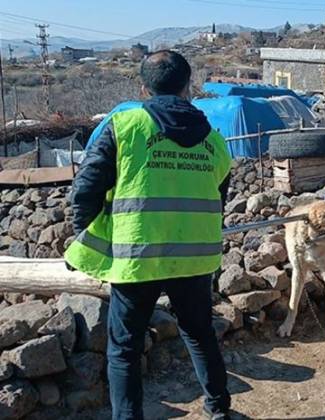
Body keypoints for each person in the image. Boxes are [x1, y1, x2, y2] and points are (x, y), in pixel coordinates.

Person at [65, 50, 232, 420]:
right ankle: (219, 410)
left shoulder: (124, 126)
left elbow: (86, 190)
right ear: (188, 86)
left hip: (136, 257)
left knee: (124, 349)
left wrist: (86, 240)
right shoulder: (215, 141)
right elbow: (218, 197)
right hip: (194, 258)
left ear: (144, 87)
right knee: (200, 334)